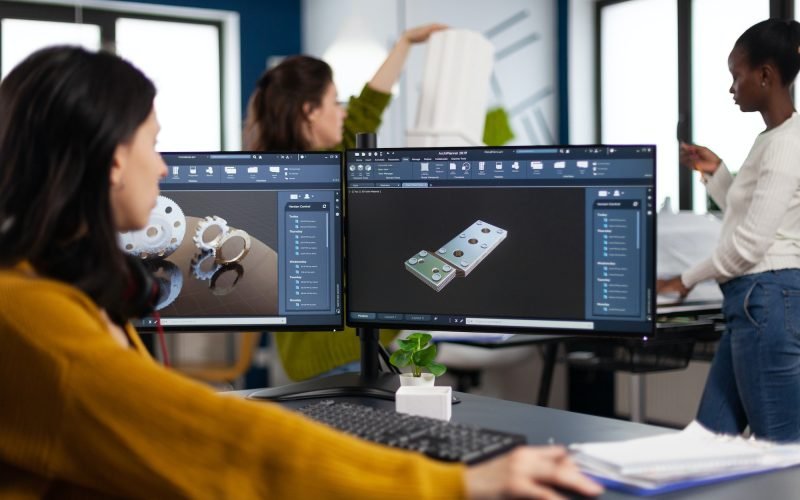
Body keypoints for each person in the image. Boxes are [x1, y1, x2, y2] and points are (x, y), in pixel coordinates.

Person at [0, 46, 604, 499]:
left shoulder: (54, 295)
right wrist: (459, 485)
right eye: (153, 143)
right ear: (111, 162)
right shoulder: (38, 322)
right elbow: (215, 445)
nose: (162, 166)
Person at [244, 24, 446, 381]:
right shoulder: (318, 173)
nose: (342, 110)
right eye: (334, 100)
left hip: (314, 356)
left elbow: (368, 105)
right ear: (310, 111)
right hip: (342, 352)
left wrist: (405, 43)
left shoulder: (266, 173)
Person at [657, 19, 800, 442]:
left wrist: (683, 280)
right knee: (709, 439)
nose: (732, 87)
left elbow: (750, 244)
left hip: (765, 297)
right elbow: (749, 212)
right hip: (755, 302)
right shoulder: (773, 139)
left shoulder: (786, 144)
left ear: (765, 75)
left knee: (779, 452)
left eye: (736, 76)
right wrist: (716, 172)